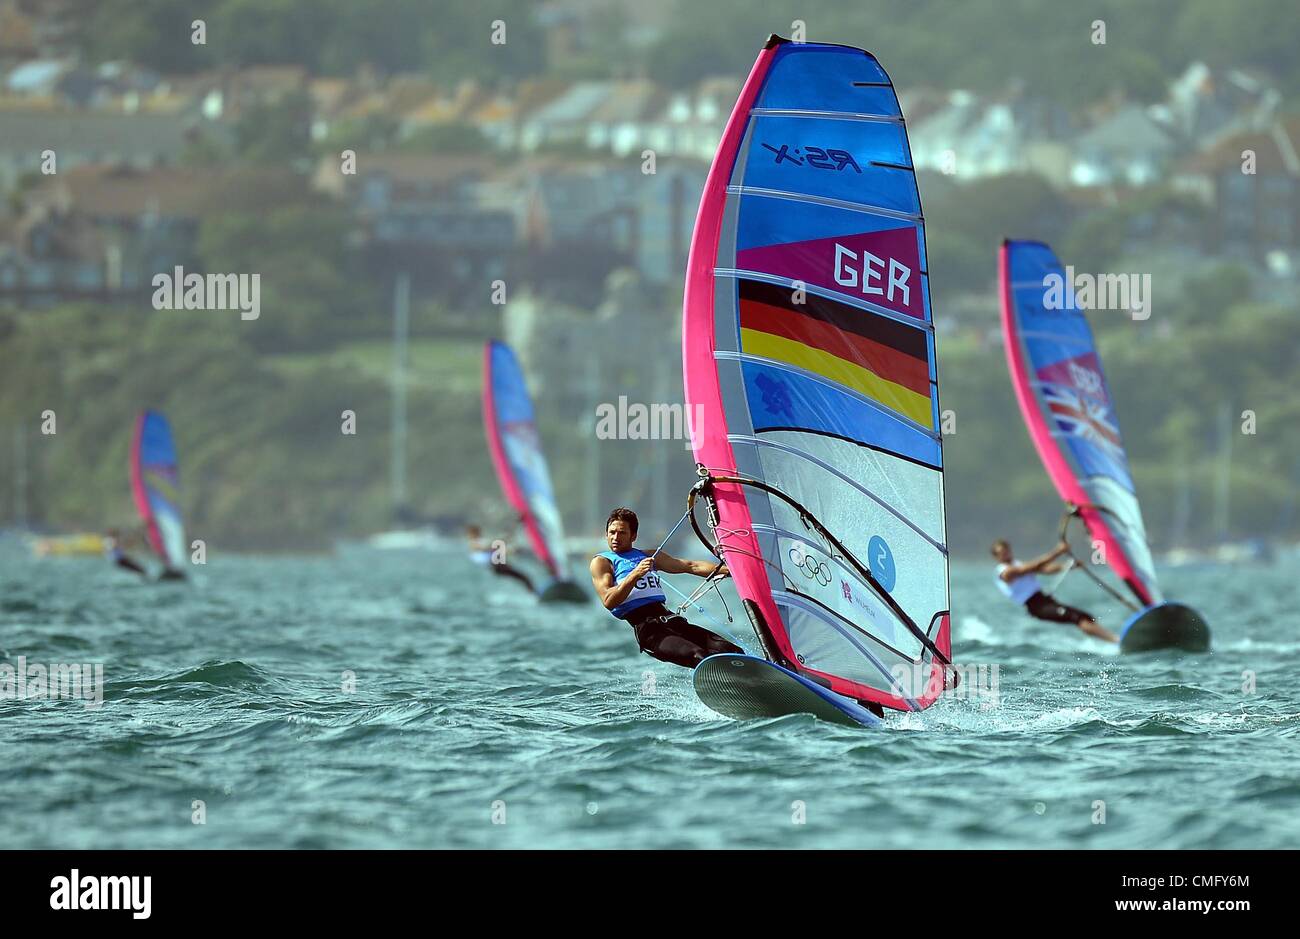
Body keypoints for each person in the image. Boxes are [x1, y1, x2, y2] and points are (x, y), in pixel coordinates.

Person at [590, 506, 743, 668]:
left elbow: (691, 566)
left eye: (622, 533)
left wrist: (733, 572)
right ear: (606, 534)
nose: (615, 537)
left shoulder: (648, 556)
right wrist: (635, 574)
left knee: (732, 651)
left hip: (672, 622)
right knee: (700, 656)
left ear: (633, 536)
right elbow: (608, 600)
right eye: (612, 532)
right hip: (651, 633)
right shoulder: (602, 562)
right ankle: (723, 687)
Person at [991, 538, 1117, 642]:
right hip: (1036, 607)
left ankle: (1109, 641)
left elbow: (1044, 569)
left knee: (1086, 616)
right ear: (996, 557)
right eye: (1002, 553)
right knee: (1076, 617)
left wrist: (1068, 566)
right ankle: (1116, 641)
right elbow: (1032, 566)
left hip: (1044, 600)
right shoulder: (1003, 572)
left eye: (1006, 551)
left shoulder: (1017, 563)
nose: (1006, 554)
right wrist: (1058, 551)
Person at [465, 524, 535, 594]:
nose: (479, 534)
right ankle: (534, 594)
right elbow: (486, 547)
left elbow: (492, 547)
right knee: (523, 577)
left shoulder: (480, 541)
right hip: (496, 566)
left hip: (498, 564)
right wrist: (501, 542)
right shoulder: (473, 544)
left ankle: (533, 592)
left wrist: (504, 540)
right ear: (472, 534)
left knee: (523, 577)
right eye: (477, 532)